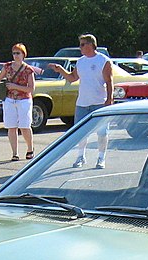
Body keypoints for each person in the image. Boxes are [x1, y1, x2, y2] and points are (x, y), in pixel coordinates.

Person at [48, 33, 113, 168]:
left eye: (82, 44)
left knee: (102, 132)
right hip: (82, 103)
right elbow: (72, 78)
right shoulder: (81, 61)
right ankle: (80, 156)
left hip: (99, 102)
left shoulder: (104, 61)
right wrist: (60, 70)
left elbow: (109, 81)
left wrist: (109, 99)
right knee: (80, 132)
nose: (80, 47)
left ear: (91, 45)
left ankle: (101, 158)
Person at [0, 43, 36, 161]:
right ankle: (15, 153)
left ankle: (30, 149)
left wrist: (15, 86)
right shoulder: (7, 67)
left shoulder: (28, 70)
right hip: (9, 99)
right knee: (11, 126)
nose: (16, 55)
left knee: (25, 126)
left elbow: (31, 89)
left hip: (24, 100)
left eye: (18, 53)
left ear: (23, 54)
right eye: (14, 53)